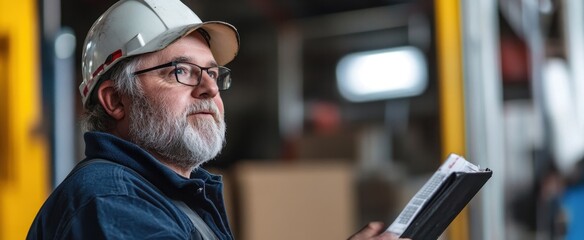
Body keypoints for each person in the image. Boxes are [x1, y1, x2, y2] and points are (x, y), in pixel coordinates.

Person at [27, 0, 408, 239]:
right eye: (180, 70)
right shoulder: (110, 201)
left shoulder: (170, 195)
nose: (210, 89)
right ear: (115, 100)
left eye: (213, 73)